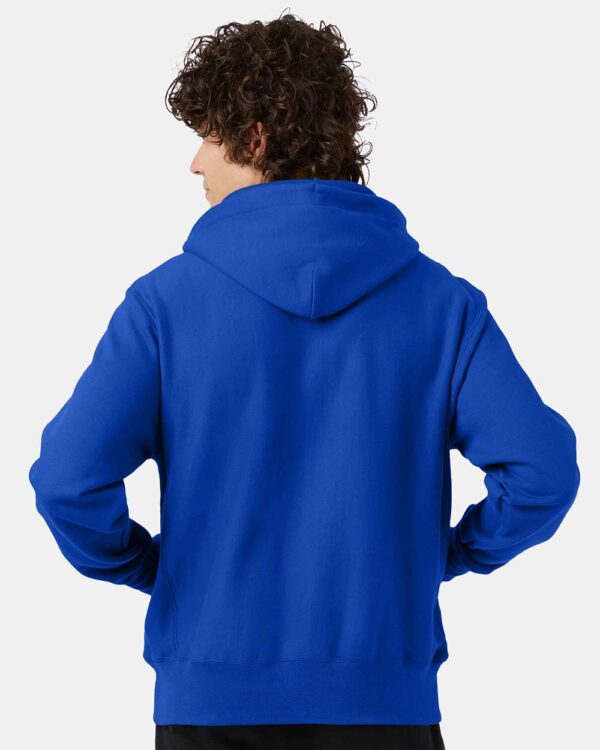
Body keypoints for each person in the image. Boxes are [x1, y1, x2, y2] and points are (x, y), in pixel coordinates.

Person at [28, 13, 580, 750]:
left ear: (255, 139)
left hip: (210, 707)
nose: (194, 163)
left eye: (208, 136)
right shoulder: (443, 305)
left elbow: (68, 480)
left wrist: (151, 569)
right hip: (385, 708)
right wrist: (441, 557)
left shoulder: (164, 305)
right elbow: (543, 473)